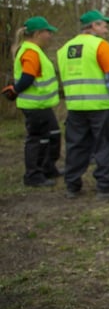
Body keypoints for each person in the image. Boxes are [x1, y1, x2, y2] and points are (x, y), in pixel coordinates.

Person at [57, 10, 109, 200]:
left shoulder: (64, 48)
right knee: (106, 146)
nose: (106, 29)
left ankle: (72, 186)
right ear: (94, 26)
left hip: (75, 107)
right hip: (101, 106)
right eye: (104, 25)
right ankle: (105, 188)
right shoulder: (100, 46)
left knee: (76, 146)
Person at [3, 16, 62, 187]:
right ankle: (33, 175)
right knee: (38, 140)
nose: (50, 36)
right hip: (35, 106)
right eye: (47, 32)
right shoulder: (30, 52)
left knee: (53, 135)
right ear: (37, 33)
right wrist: (15, 89)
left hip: (43, 105)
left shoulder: (34, 51)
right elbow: (28, 77)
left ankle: (48, 169)